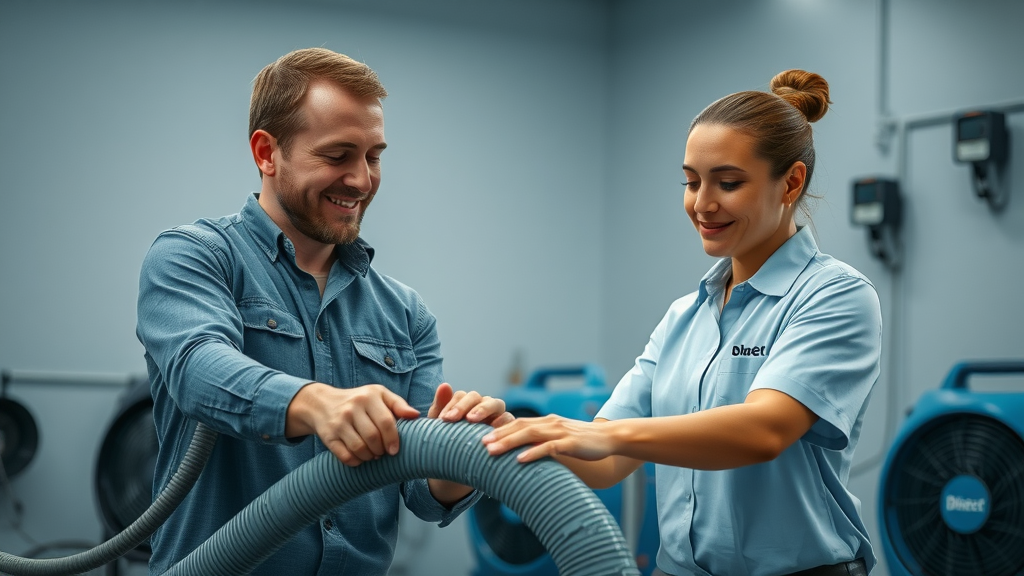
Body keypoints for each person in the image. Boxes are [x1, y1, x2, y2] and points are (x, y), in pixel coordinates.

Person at [483, 70, 881, 576]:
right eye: (692, 182)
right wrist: (518, 433)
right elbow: (604, 463)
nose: (703, 203)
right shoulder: (684, 316)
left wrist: (610, 436)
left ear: (792, 182)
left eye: (728, 183)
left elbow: (763, 430)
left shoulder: (835, 296)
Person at [136, 47, 512, 576]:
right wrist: (315, 404)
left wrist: (463, 452)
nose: (361, 180)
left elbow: (425, 496)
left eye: (373, 156)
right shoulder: (193, 257)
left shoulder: (405, 313)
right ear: (267, 153)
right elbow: (196, 370)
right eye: (338, 156)